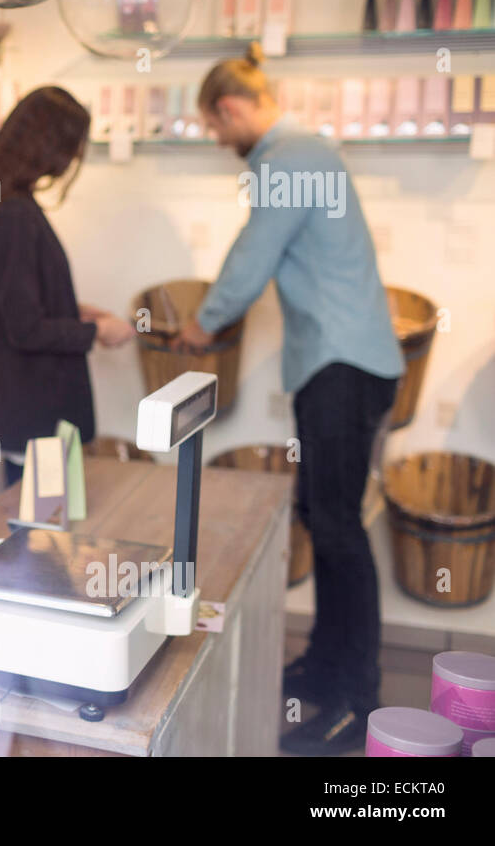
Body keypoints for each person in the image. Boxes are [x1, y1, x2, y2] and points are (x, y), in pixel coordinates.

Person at [173, 42, 403, 756]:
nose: (219, 141)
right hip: (338, 363)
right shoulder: (305, 154)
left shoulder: (292, 158)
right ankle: (327, 665)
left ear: (232, 107)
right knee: (323, 515)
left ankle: (354, 699)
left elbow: (253, 251)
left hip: (343, 365)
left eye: (216, 128)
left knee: (335, 527)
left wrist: (203, 321)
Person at [0, 86, 135, 487]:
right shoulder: (15, 216)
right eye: (71, 148)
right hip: (31, 412)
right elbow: (24, 327)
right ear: (48, 149)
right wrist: (98, 331)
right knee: (38, 533)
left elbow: (12, 303)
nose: (71, 160)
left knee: (33, 527)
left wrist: (72, 308)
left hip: (15, 405)